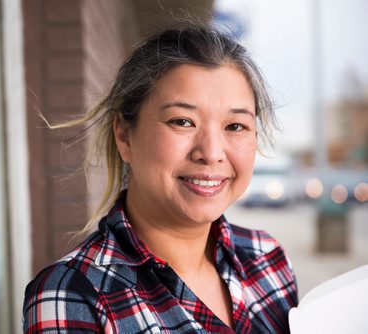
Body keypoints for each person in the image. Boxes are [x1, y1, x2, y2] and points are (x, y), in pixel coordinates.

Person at [23, 23, 298, 334]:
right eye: (182, 121)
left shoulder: (267, 258)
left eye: (235, 126)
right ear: (124, 136)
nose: (211, 153)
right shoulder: (73, 294)